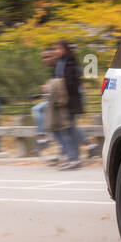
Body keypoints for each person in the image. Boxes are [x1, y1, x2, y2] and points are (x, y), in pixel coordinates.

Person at [49, 40, 83, 170]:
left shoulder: (70, 62)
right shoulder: (59, 63)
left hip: (69, 102)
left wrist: (60, 83)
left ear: (65, 49)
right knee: (64, 129)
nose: (55, 51)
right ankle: (73, 157)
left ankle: (73, 158)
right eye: (54, 49)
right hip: (61, 102)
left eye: (58, 49)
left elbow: (72, 82)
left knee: (69, 130)